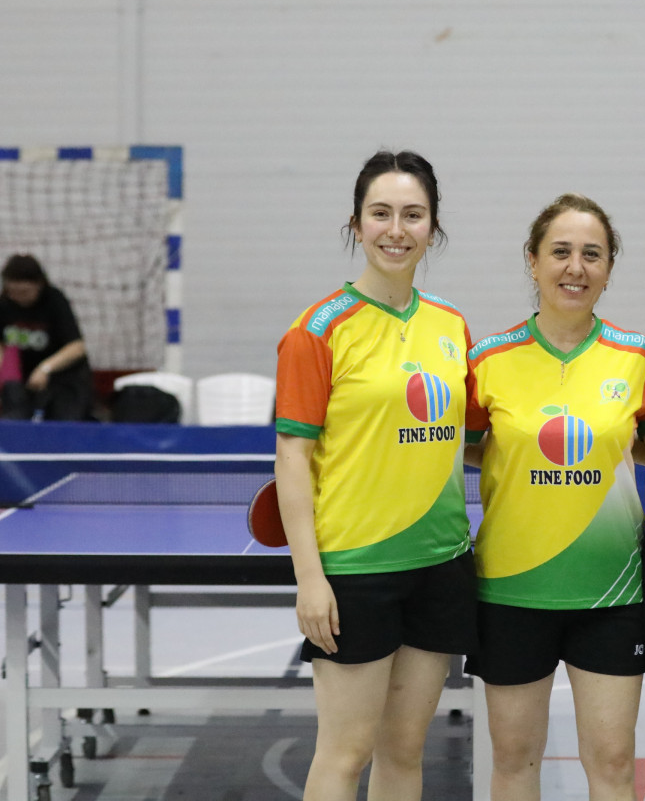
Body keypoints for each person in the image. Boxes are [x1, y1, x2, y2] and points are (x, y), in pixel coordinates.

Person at [272, 150, 477, 801]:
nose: (396, 229)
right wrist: (310, 578)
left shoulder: (451, 325)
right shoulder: (317, 331)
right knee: (345, 752)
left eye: (413, 215)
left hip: (440, 562)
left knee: (404, 748)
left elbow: (473, 441)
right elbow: (292, 459)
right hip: (356, 570)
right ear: (356, 223)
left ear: (433, 227)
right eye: (380, 213)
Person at [464, 194, 645, 801]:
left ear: (609, 268)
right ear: (533, 260)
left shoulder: (641, 359)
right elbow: (453, 447)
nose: (576, 267)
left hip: (611, 591)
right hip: (512, 588)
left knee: (613, 762)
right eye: (561, 252)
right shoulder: (487, 360)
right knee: (514, 760)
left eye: (592, 254)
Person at [0, 254, 94, 421]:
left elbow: (77, 347)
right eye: (12, 292)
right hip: (24, 380)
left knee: (62, 423)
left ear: (39, 284)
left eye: (24, 292)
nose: (17, 298)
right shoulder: (4, 303)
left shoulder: (55, 301)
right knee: (13, 419)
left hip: (63, 379)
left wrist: (45, 369)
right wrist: (4, 368)